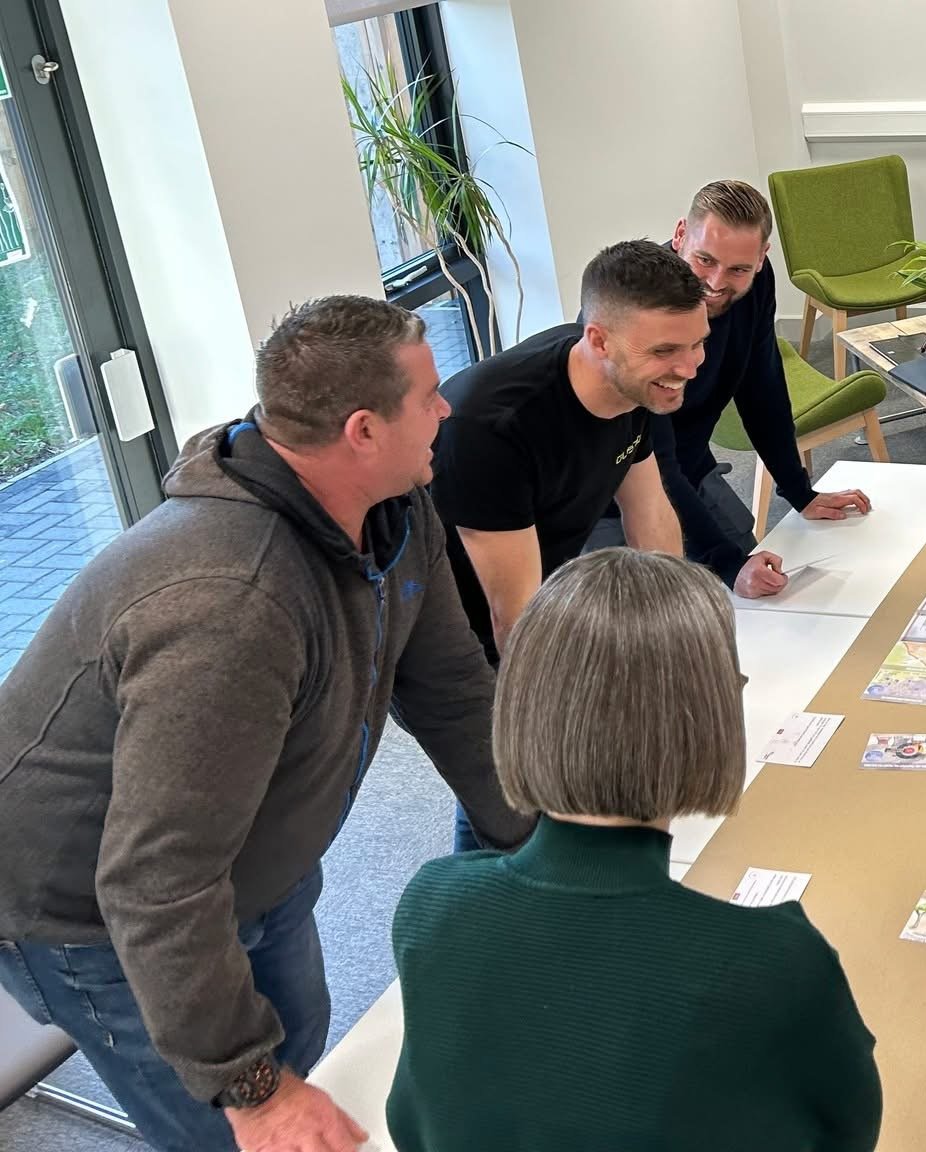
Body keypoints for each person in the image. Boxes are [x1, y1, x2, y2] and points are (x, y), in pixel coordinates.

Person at [0, 296, 533, 1152]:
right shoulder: (231, 604)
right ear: (362, 429)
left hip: (257, 861)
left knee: (307, 1047)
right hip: (85, 911)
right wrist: (249, 1088)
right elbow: (155, 884)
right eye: (429, 396)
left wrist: (542, 846)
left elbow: (454, 695)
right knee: (245, 1123)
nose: (446, 409)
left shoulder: (396, 511)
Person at [384, 548, 881, 1152]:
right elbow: (848, 1131)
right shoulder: (773, 959)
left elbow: (412, 1121)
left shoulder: (432, 904)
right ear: (709, 715)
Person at [431, 239, 700, 851]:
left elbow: (649, 511)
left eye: (696, 344)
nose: (687, 367)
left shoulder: (639, 383)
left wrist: (677, 647)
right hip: (450, 635)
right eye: (666, 351)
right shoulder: (491, 424)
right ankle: (483, 924)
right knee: (512, 800)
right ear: (598, 340)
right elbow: (510, 615)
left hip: (538, 583)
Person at [611, 179, 871, 594]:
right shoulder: (637, 306)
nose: (716, 283)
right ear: (680, 236)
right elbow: (652, 463)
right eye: (704, 260)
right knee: (665, 613)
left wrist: (799, 490)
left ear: (761, 259)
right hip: (617, 490)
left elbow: (762, 387)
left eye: (737, 269)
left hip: (689, 463)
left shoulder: (754, 284)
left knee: (761, 580)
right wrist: (728, 565)